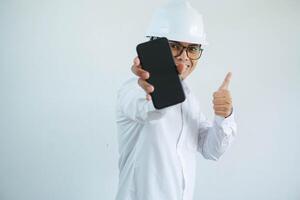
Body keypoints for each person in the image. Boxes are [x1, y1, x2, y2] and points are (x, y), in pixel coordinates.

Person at [115, 1, 237, 200]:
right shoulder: (133, 90)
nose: (184, 57)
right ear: (155, 45)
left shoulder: (189, 100)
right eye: (174, 46)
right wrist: (157, 86)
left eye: (193, 48)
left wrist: (225, 116)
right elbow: (150, 108)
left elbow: (211, 150)